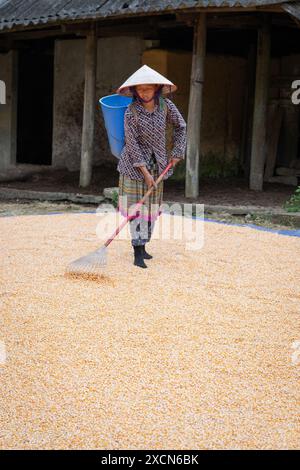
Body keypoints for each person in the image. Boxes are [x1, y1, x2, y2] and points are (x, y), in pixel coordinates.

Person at [116, 64, 187, 268]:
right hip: (133, 167)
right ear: (135, 91)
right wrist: (145, 173)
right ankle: (137, 251)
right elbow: (132, 144)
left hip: (159, 165)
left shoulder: (166, 107)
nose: (144, 93)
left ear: (156, 88)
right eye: (140, 89)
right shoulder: (131, 112)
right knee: (136, 209)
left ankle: (144, 245)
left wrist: (176, 153)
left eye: (148, 88)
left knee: (151, 209)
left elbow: (181, 127)